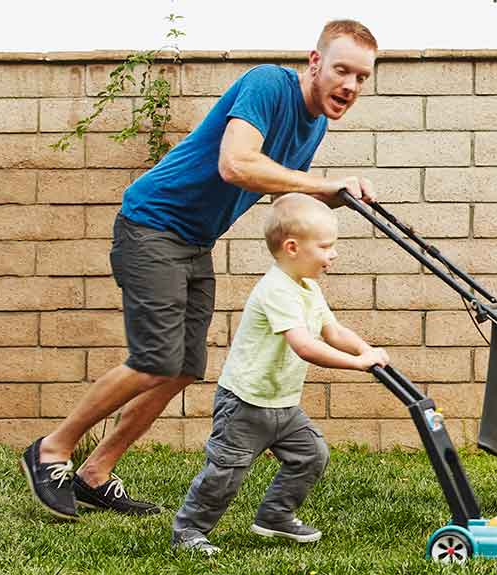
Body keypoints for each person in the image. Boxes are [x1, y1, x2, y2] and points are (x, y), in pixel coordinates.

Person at [20, 19, 379, 521]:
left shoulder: (313, 124)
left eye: (362, 77)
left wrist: (333, 201)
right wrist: (321, 183)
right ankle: (51, 451)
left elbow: (282, 193)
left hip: (193, 241)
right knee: (154, 359)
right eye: (342, 70)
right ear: (314, 63)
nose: (350, 86)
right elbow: (236, 164)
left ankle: (95, 473)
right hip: (152, 225)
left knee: (184, 366)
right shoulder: (268, 86)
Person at [172, 193, 388, 556]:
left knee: (311, 455)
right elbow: (304, 345)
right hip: (244, 402)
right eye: (325, 246)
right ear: (292, 247)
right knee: (226, 472)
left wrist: (366, 349)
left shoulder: (309, 288)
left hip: (283, 404)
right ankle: (189, 530)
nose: (332, 254)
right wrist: (356, 364)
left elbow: (332, 332)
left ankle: (274, 516)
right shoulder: (276, 290)